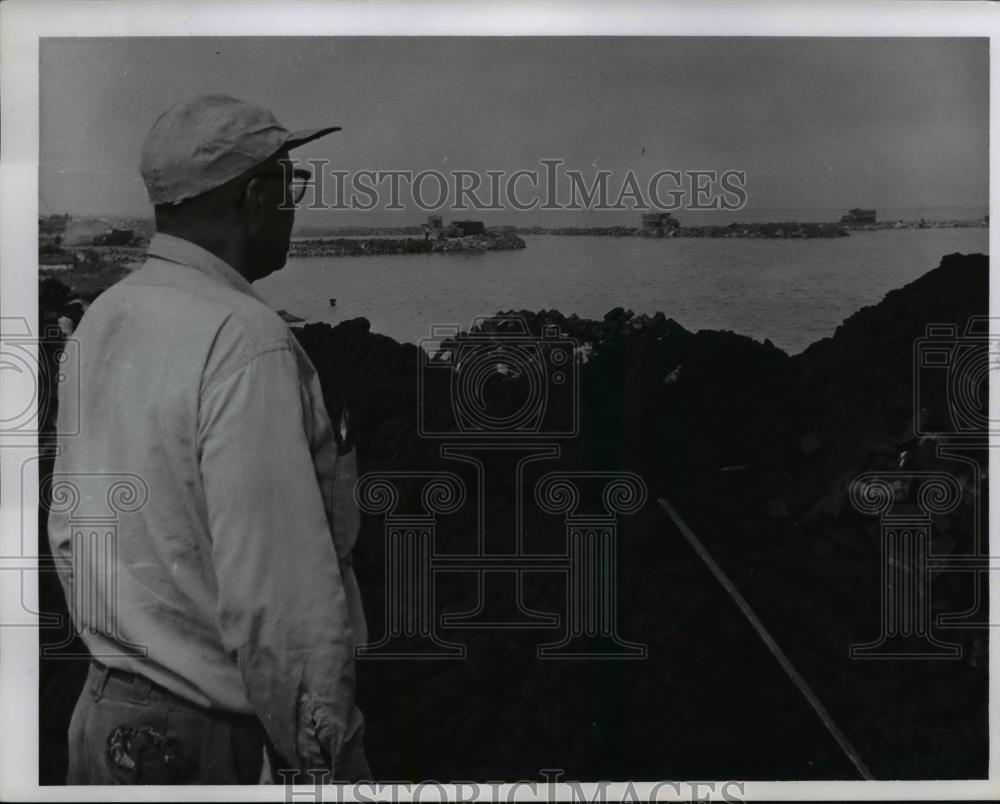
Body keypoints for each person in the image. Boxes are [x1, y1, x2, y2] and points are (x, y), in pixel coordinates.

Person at [48, 94, 369, 784]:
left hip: (105, 718)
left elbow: (72, 533)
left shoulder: (106, 317)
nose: (294, 204)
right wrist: (328, 759)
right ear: (255, 198)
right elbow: (280, 599)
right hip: (204, 745)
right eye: (292, 185)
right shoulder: (246, 340)